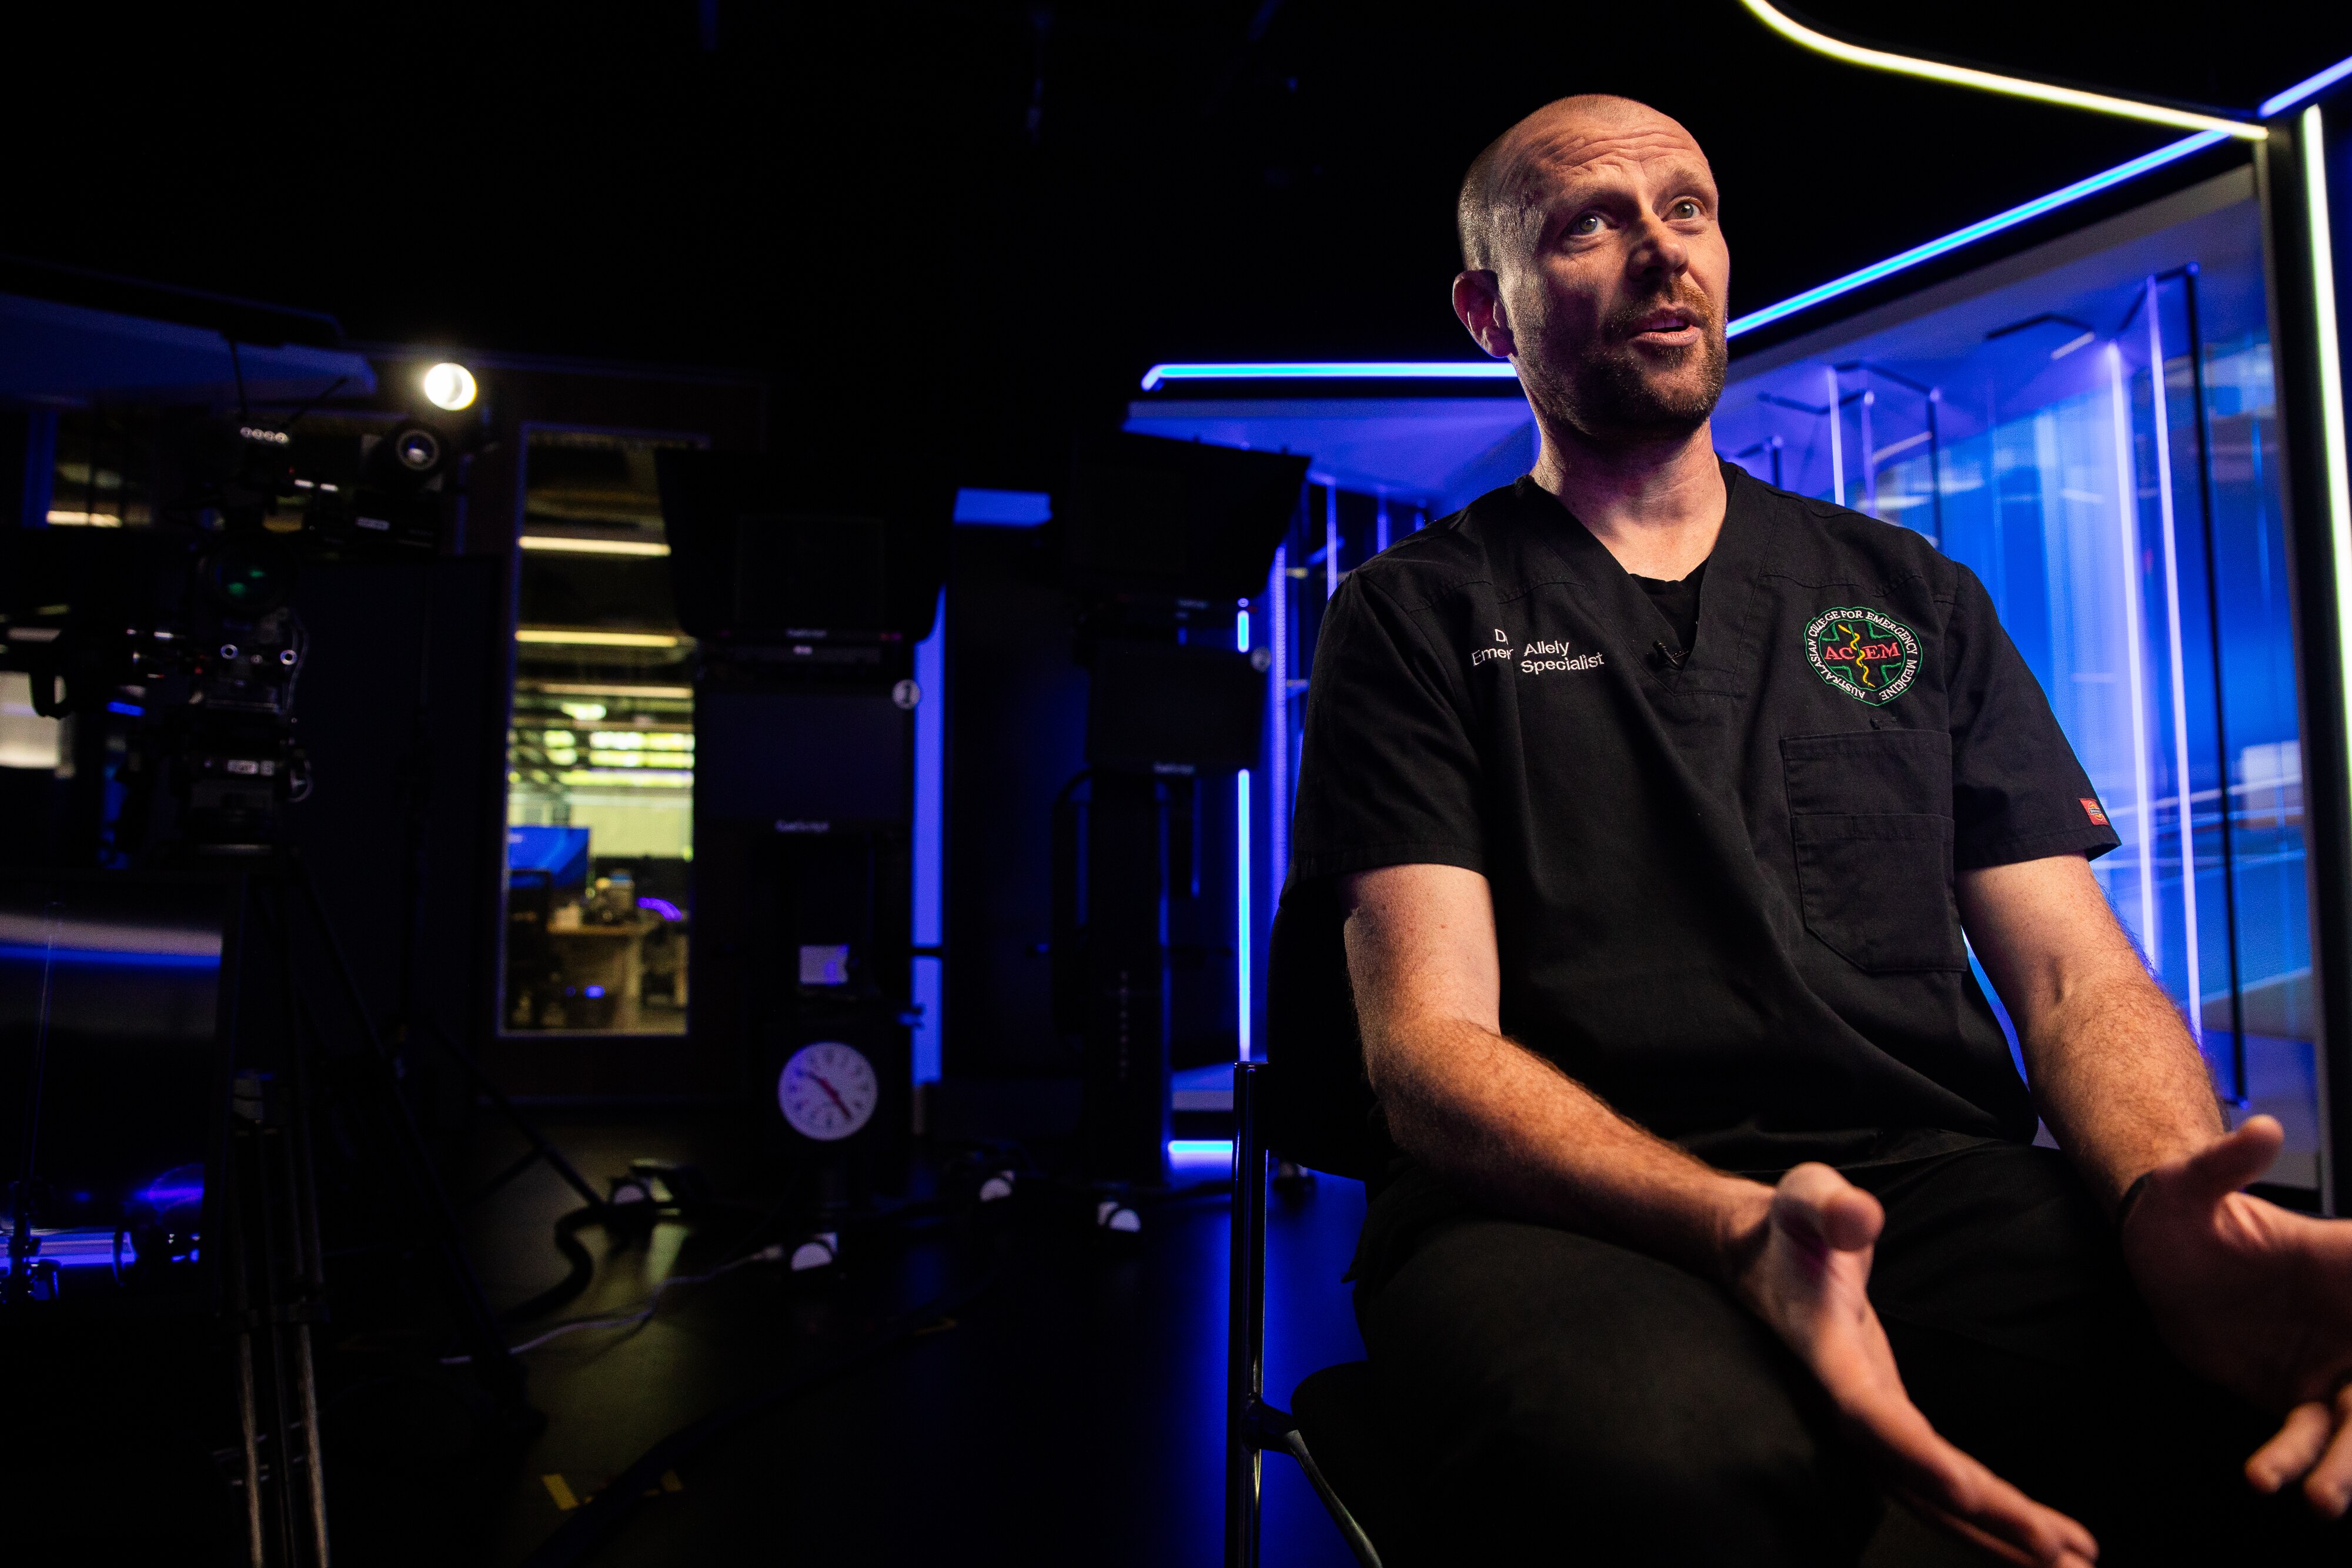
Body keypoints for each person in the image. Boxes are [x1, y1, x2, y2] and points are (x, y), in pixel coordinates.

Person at [1291, 93, 2352, 1564]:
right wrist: (1730, 1221)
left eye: (1689, 209)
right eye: (1592, 222)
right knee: (1692, 1472)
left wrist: (2166, 1194)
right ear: (1489, 311)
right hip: (1553, 1212)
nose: (1664, 255)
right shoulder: (1412, 615)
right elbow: (1426, 1057)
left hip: (1919, 1184)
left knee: (2257, 1393)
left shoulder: (1910, 595)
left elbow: (2072, 978)